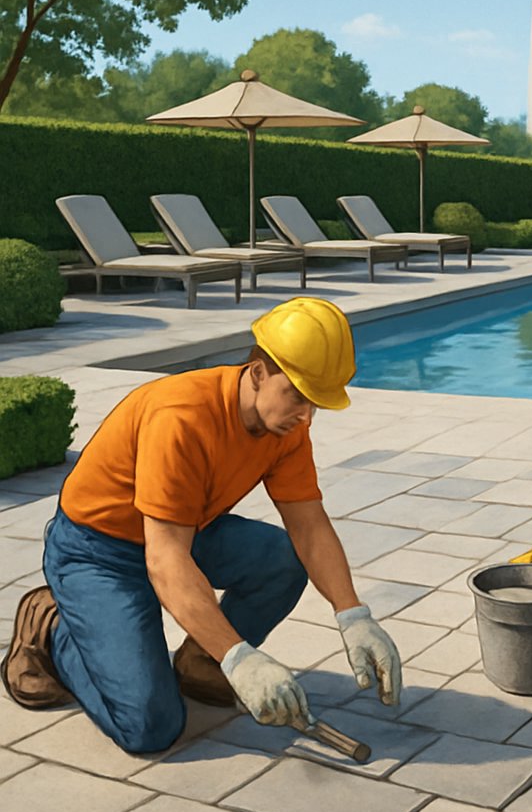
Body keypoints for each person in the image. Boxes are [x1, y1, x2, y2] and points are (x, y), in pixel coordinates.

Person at [3, 298, 402, 753]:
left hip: (186, 530)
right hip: (99, 550)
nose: (306, 416)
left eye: (315, 403)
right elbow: (164, 558)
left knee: (284, 558)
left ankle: (200, 663)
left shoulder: (286, 426)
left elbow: (308, 524)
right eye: (297, 395)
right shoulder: (181, 418)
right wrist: (241, 657)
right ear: (257, 371)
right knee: (150, 727)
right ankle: (51, 630)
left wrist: (353, 615)